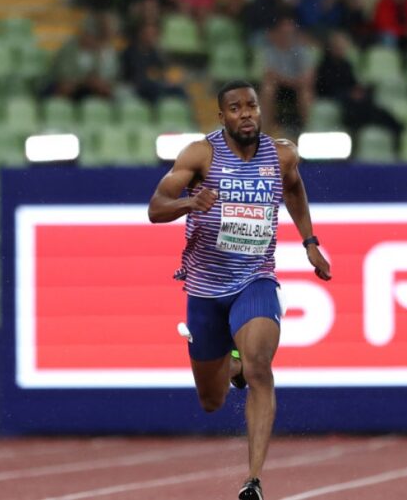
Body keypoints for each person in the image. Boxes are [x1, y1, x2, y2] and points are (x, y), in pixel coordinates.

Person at [148, 79, 331, 500]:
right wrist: (188, 204)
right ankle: (231, 362)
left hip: (255, 278)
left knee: (260, 367)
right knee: (211, 401)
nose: (246, 113)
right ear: (222, 116)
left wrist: (310, 242)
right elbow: (156, 207)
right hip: (205, 290)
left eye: (251, 105)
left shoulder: (282, 154)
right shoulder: (200, 154)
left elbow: (295, 190)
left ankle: (253, 481)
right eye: (235, 108)